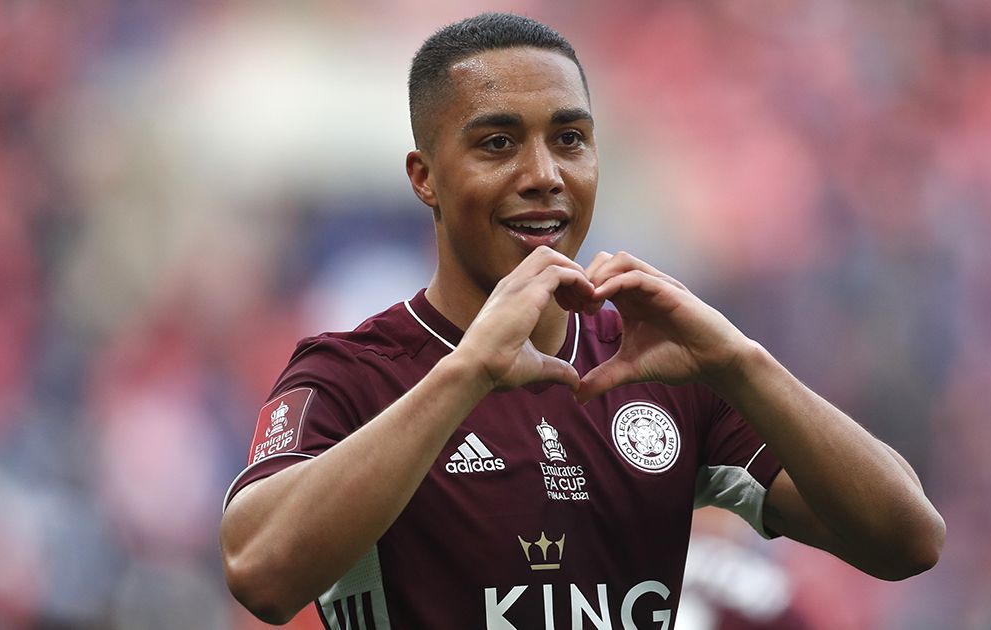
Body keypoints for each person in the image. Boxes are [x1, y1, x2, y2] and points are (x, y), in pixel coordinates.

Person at [219, 12, 945, 629]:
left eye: (570, 139)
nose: (544, 174)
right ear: (424, 177)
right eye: (497, 143)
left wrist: (738, 360)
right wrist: (467, 374)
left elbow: (907, 539)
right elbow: (260, 573)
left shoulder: (654, 364)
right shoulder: (352, 371)